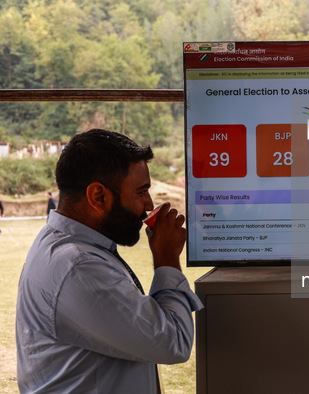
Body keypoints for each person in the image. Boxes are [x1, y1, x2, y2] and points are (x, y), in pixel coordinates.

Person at [16, 129, 202, 393]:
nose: (149, 205)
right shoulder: (79, 267)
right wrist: (167, 257)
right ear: (98, 197)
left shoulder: (65, 245)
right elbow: (173, 341)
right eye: (141, 192)